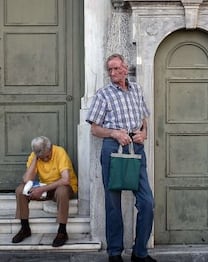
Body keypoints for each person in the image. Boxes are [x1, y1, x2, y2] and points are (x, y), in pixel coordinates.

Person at [86, 53, 156, 262]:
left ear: (126, 68)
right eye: (110, 70)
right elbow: (95, 129)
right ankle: (114, 252)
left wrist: (144, 133)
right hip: (113, 150)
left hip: (136, 149)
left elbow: (144, 120)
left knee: (146, 203)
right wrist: (114, 133)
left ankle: (140, 252)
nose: (113, 73)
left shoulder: (137, 90)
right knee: (113, 204)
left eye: (117, 68)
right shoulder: (103, 95)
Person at [12, 136, 78, 247]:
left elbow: (65, 180)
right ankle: (25, 228)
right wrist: (35, 159)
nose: (45, 159)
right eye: (42, 158)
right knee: (20, 190)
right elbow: (26, 179)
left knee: (62, 192)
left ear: (51, 148)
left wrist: (41, 189)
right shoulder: (36, 156)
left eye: (46, 156)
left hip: (62, 187)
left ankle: (62, 231)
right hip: (45, 188)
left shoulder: (59, 152)